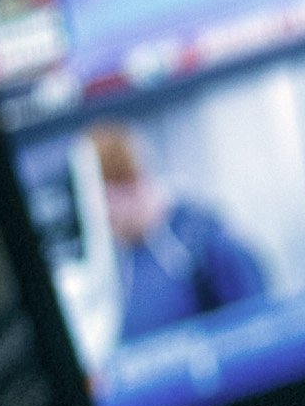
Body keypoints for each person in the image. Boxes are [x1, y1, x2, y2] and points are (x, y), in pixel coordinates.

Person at [90, 124, 267, 343]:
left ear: (130, 181)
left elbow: (259, 331)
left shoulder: (204, 242)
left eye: (105, 202)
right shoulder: (114, 266)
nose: (100, 220)